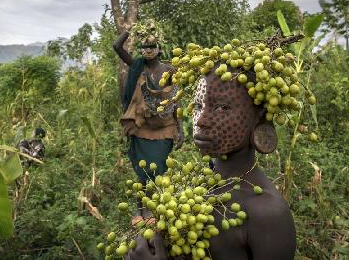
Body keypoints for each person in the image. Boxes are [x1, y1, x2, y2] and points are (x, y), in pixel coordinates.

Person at [125, 67, 296, 259]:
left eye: (222, 107)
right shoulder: (188, 189)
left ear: (260, 117)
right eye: (198, 106)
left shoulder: (268, 212)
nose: (201, 121)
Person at [113, 26, 184, 222]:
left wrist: (180, 128)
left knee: (158, 169)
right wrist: (130, 29)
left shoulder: (169, 70)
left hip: (164, 127)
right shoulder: (138, 66)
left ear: (160, 48)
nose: (148, 50)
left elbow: (176, 99)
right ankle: (140, 210)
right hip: (141, 126)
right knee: (142, 172)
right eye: (144, 47)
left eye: (152, 46)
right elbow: (116, 45)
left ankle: (155, 209)